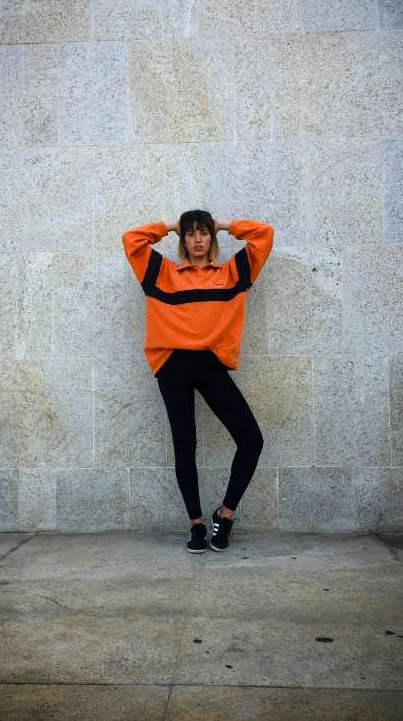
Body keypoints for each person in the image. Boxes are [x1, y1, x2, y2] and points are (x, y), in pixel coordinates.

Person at [122, 210, 274, 554]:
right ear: (182, 240)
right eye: (190, 234)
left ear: (212, 237)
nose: (198, 239)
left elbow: (263, 235)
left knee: (251, 440)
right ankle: (196, 524)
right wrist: (172, 225)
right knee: (185, 444)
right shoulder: (161, 272)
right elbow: (132, 239)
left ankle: (225, 515)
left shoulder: (233, 272)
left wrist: (222, 224)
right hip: (172, 363)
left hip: (210, 363)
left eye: (203, 232)